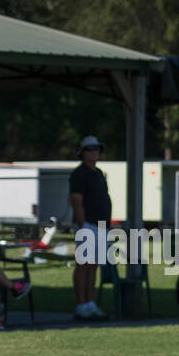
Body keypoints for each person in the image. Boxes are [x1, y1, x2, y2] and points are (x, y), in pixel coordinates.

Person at [69, 135, 111, 321]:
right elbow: (76, 201)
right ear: (82, 152)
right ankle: (81, 305)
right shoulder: (79, 173)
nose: (94, 152)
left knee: (93, 267)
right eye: (90, 149)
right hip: (87, 225)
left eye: (97, 148)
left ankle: (91, 303)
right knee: (83, 266)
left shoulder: (99, 173)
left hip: (101, 226)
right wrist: (82, 225)